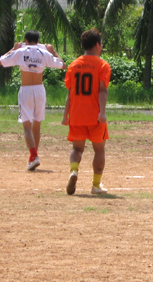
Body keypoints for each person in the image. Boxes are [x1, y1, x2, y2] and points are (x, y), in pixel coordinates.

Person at [0, 30, 65, 171]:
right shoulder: (44, 53)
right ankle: (33, 157)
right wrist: (53, 52)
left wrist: (13, 49)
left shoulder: (21, 52)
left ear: (26, 40)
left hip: (26, 90)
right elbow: (63, 65)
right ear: (38, 41)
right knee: (37, 126)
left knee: (27, 127)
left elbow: (0, 61)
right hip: (39, 90)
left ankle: (33, 155)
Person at [62, 28, 111, 195]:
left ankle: (74, 171)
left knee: (77, 149)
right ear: (97, 45)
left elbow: (70, 93)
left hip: (76, 114)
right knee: (99, 149)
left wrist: (65, 116)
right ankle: (96, 185)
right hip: (95, 116)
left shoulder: (74, 65)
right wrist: (102, 113)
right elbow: (102, 91)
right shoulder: (102, 65)